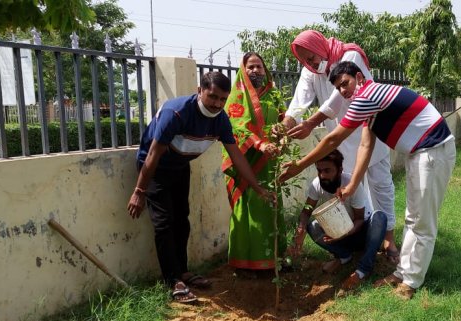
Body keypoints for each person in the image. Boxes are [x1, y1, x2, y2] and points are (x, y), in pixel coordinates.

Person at [279, 61, 457, 300]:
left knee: (423, 221)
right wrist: (352, 185)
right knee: (413, 217)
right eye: (339, 88)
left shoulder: (367, 96)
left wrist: (297, 167)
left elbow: (333, 139)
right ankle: (402, 273)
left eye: (345, 83)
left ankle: (412, 282)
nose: (343, 91)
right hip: (420, 152)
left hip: (434, 150)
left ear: (359, 78)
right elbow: (365, 145)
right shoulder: (370, 108)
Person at [127, 71, 272, 303]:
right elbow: (153, 155)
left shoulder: (221, 119)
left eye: (223, 99)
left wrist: (257, 187)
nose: (217, 104)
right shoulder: (175, 113)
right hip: (155, 170)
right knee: (164, 224)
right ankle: (173, 282)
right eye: (212, 97)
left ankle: (183, 272)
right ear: (199, 91)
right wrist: (139, 191)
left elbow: (236, 156)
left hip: (180, 166)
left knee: (182, 219)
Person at [280, 30, 399, 262]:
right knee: (350, 192)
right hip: (343, 140)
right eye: (304, 59)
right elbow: (298, 101)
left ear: (319, 45)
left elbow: (338, 98)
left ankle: (389, 239)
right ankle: (353, 241)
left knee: (381, 185)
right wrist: (285, 126)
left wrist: (312, 122)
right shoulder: (310, 71)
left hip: (369, 131)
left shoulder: (350, 55)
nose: (310, 62)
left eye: (311, 56)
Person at [222, 52, 287, 273]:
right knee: (248, 209)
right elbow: (234, 126)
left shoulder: (274, 95)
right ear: (243, 69)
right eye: (250, 67)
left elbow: (283, 119)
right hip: (247, 162)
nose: (255, 71)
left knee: (271, 205)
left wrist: (283, 134)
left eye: (259, 66)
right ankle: (245, 264)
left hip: (270, 164)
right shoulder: (236, 97)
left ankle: (275, 259)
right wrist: (259, 144)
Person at [288, 149, 388, 291]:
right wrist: (300, 229)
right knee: (312, 226)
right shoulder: (317, 184)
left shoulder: (351, 185)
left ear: (340, 169)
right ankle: (343, 256)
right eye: (319, 170)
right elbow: (306, 211)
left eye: (327, 170)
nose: (322, 175)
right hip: (338, 235)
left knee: (379, 217)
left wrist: (343, 233)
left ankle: (362, 270)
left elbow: (359, 219)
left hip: (361, 233)